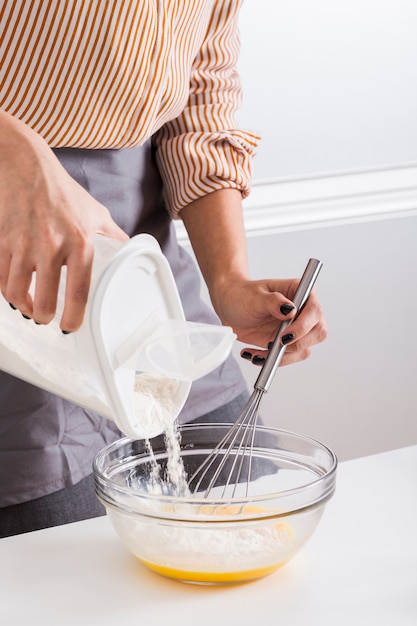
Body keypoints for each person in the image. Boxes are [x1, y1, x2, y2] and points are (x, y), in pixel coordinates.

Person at [0, 1, 327, 537]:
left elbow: (202, 86)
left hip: (140, 261)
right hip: (16, 266)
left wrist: (227, 278)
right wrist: (14, 154)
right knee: (63, 571)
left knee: (251, 512)